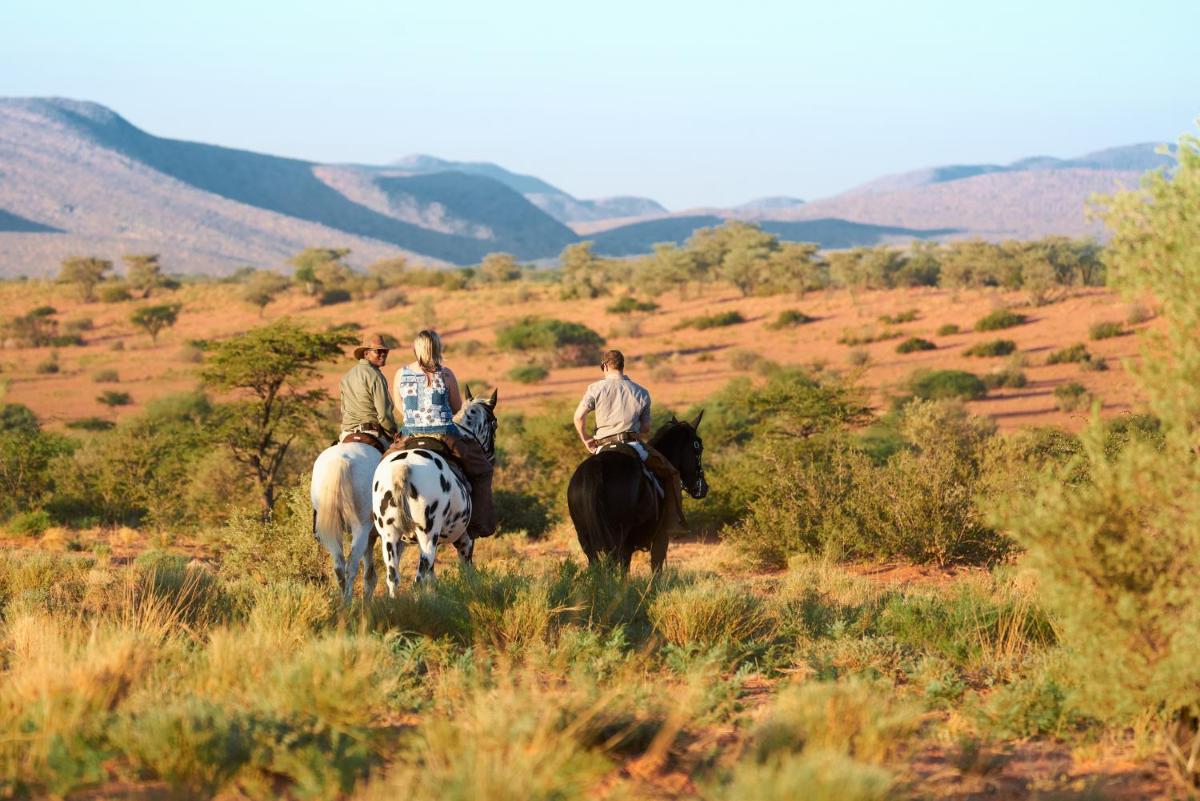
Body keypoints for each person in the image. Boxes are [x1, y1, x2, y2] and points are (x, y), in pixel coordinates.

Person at [573, 349, 688, 538]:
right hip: (632, 444)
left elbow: (578, 417)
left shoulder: (595, 388)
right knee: (671, 473)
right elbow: (645, 428)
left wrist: (585, 438)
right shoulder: (641, 392)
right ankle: (673, 524)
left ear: (604, 366)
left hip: (602, 446)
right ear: (622, 366)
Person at [393, 330, 496, 538]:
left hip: (409, 434)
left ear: (415, 349)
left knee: (380, 465)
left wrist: (417, 420)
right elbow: (457, 408)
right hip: (443, 434)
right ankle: (477, 525)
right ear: (438, 349)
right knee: (483, 469)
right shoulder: (446, 374)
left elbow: (398, 405)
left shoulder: (400, 373)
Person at [339, 333, 398, 446]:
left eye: (385, 351)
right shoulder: (375, 375)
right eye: (378, 351)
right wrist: (392, 432)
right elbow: (384, 414)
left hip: (346, 433)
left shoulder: (346, 377)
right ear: (366, 354)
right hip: (371, 432)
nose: (383, 354)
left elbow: (343, 410)